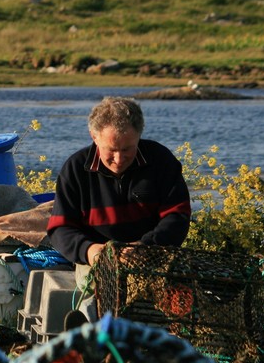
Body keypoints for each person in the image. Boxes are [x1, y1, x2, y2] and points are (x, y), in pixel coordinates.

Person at [47, 96, 191, 269]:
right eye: (112, 149)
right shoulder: (75, 169)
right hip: (97, 263)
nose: (119, 158)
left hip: (154, 257)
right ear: (94, 136)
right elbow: (60, 228)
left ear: (139, 135)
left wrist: (145, 247)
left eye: (126, 149)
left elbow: (178, 216)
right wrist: (90, 251)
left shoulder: (160, 160)